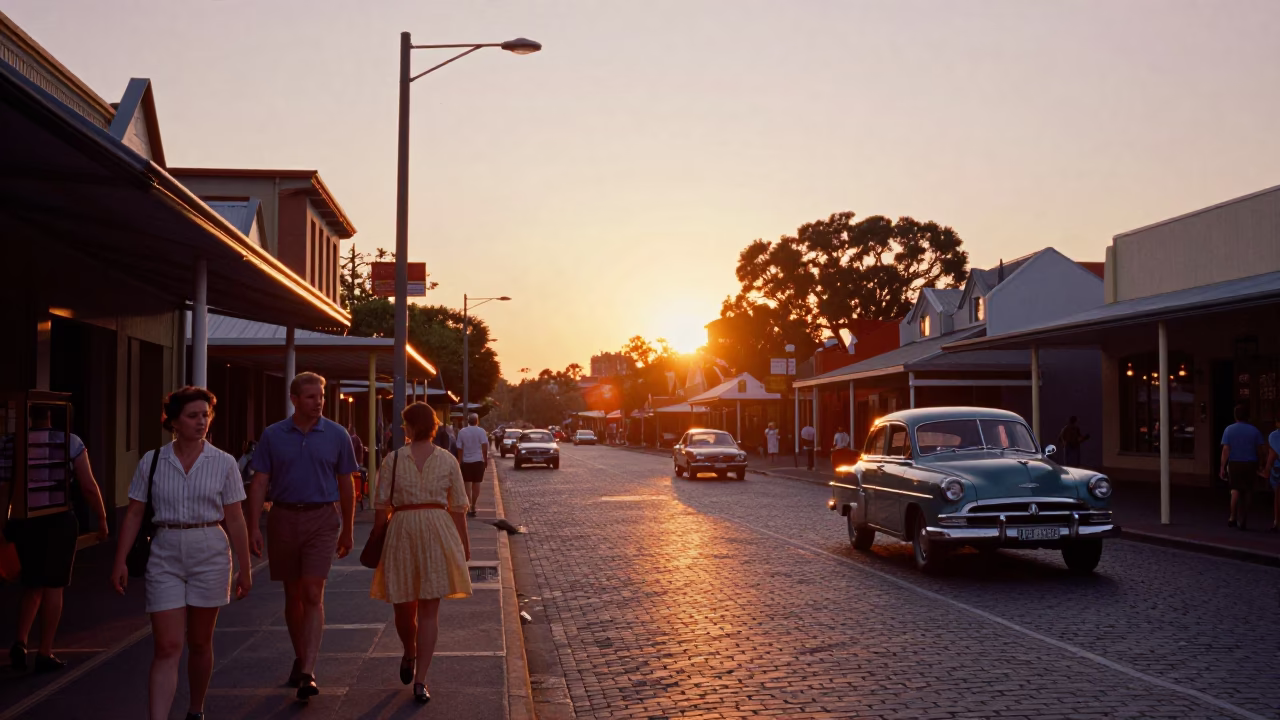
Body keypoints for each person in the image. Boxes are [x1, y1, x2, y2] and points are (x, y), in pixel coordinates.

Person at [112, 386, 253, 720]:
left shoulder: (223, 462)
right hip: (165, 550)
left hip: (210, 550)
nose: (201, 421)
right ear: (173, 421)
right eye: (192, 416)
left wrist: (245, 567)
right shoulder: (153, 460)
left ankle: (196, 709)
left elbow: (235, 517)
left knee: (200, 643)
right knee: (168, 646)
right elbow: (134, 513)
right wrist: (119, 559)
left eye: (205, 415)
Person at [246, 372, 358, 700]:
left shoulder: (337, 435)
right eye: (310, 397)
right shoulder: (273, 435)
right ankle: (300, 655)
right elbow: (259, 483)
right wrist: (253, 526)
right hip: (282, 517)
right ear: (294, 399)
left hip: (322, 519)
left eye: (321, 397)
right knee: (292, 595)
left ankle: (309, 670)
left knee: (312, 592)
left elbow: (346, 485)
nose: (318, 402)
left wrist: (348, 529)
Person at [371, 402, 471, 704]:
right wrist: (463, 544)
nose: (403, 429)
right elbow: (458, 507)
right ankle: (411, 655)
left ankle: (420, 677)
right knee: (410, 608)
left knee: (418, 608)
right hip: (426, 530)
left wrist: (464, 545)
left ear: (411, 427)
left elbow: (380, 505)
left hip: (410, 529)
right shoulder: (438, 460)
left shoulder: (396, 459)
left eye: (405, 424)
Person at [1, 405, 109, 673]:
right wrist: (102, 518)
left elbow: (4, 488)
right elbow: (87, 485)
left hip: (24, 520)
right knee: (54, 586)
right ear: (53, 414)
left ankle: (20, 642)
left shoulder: (10, 443)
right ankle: (45, 651)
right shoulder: (70, 441)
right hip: (57, 520)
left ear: (28, 415)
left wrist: (3, 528)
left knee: (32, 584)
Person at [1220, 404, 1266, 531]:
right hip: (1251, 463)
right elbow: (1261, 449)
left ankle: (1232, 516)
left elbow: (1226, 450)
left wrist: (1222, 467)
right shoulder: (1254, 431)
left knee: (1234, 490)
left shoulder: (1229, 430)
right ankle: (1243, 518)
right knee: (1248, 491)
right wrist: (1262, 463)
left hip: (1235, 463)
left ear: (1235, 416)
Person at [455, 413, 489, 518]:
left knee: (467, 485)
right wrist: (485, 459)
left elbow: (459, 448)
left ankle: (469, 506)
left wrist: (460, 461)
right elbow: (484, 447)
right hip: (478, 461)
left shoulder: (462, 432)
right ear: (477, 421)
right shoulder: (481, 431)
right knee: (477, 483)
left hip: (466, 461)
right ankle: (474, 505)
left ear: (468, 421)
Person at [1260, 417, 1280, 532]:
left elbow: (1272, 454)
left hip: (1277, 469)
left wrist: (1266, 468)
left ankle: (1277, 521)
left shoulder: (1273, 436)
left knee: (1277, 495)